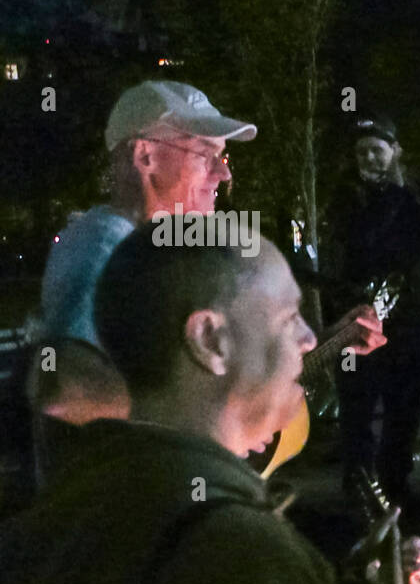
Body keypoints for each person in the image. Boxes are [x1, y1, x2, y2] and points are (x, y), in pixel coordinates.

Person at [0, 221, 420, 584]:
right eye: (290, 316)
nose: (311, 337)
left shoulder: (84, 500)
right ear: (210, 339)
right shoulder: (235, 556)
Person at [30, 81, 383, 482]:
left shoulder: (161, 249)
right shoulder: (107, 243)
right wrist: (218, 425)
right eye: (205, 155)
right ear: (146, 156)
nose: (224, 172)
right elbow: (63, 387)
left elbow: (203, 373)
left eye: (223, 155)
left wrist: (327, 341)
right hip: (128, 519)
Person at [322, 113, 420, 503]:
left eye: (377, 150)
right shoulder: (348, 193)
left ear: (396, 151)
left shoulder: (414, 191)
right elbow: (363, 238)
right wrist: (400, 194)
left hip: (410, 320)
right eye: (362, 151)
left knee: (405, 408)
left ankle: (397, 487)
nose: (370, 158)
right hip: (361, 320)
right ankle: (360, 491)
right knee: (358, 411)